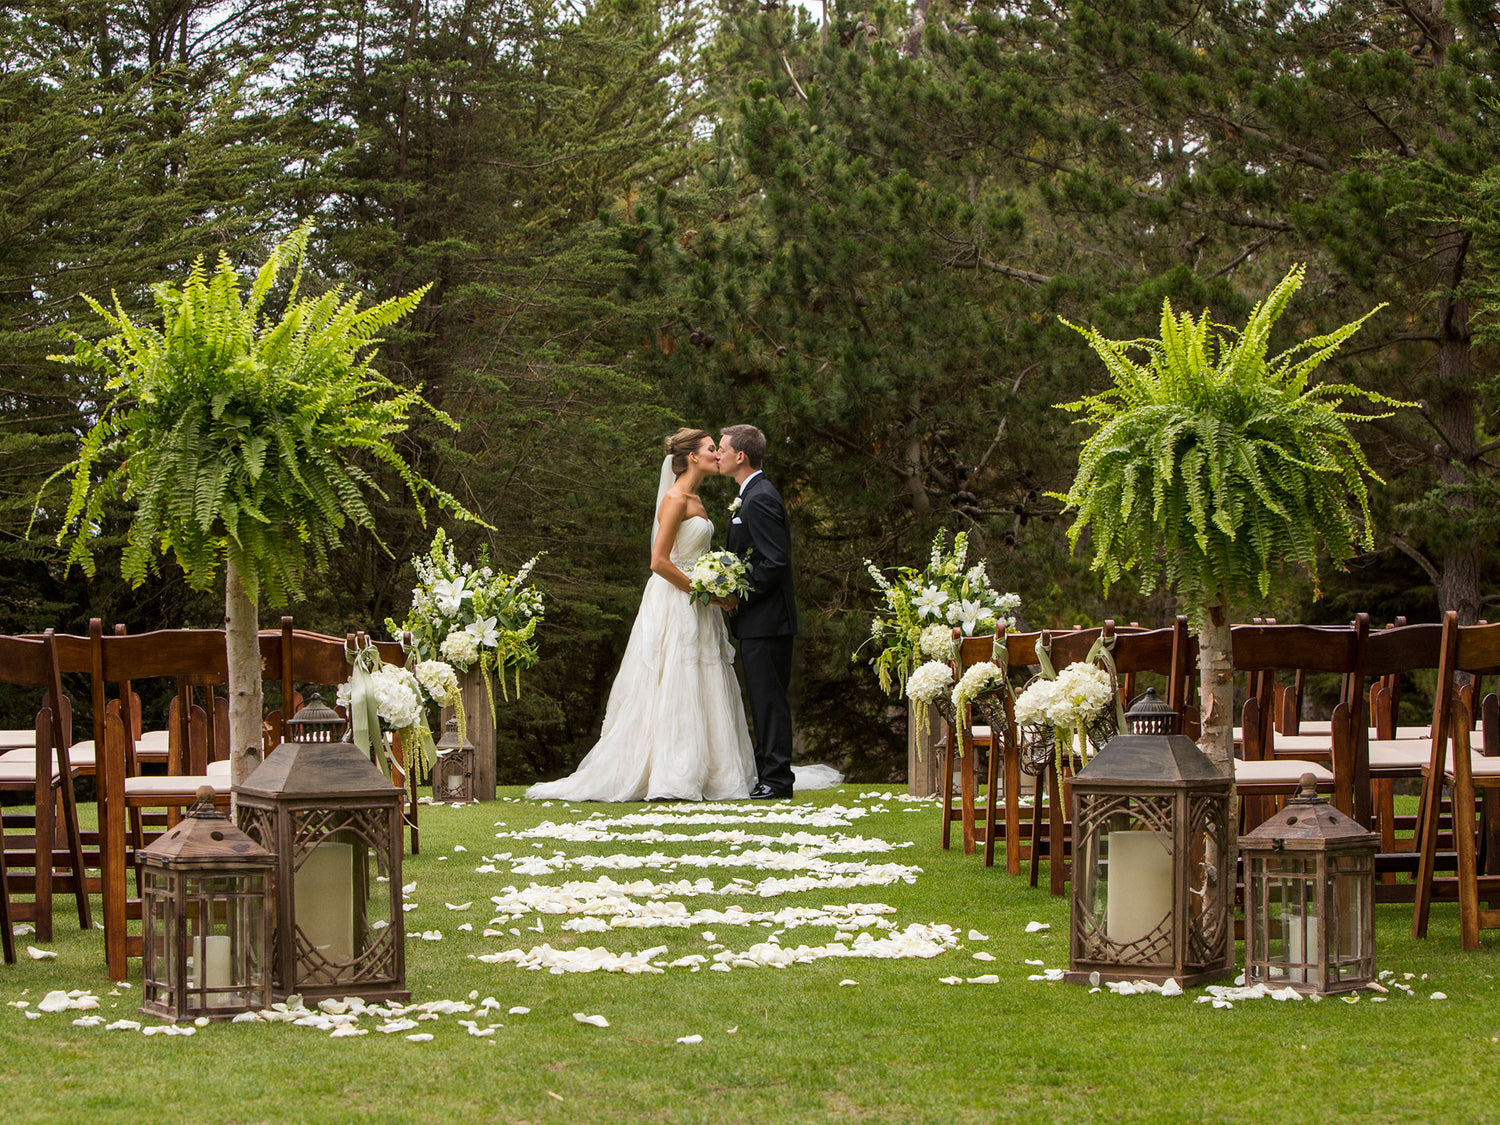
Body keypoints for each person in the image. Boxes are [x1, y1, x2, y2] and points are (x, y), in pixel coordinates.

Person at [526, 429, 757, 802]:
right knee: (674, 677)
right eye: (711, 449)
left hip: (697, 602)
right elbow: (659, 562)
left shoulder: (697, 498)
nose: (718, 454)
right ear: (693, 457)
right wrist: (708, 595)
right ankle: (671, 772)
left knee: (704, 678)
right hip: (674, 602)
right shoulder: (675, 498)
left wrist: (715, 584)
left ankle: (712, 771)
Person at [719, 424, 799, 799]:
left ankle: (778, 780)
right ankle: (768, 774)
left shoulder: (760, 497)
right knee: (764, 698)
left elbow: (775, 560)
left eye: (722, 449)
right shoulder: (749, 495)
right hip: (759, 622)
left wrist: (738, 595)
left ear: (740, 456)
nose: (717, 455)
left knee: (769, 700)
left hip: (767, 621)